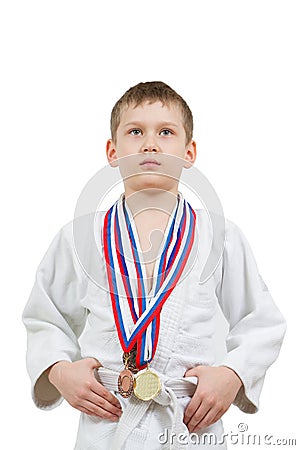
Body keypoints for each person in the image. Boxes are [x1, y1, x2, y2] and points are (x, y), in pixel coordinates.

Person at [23, 81, 286, 449]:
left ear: (189, 152)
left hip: (190, 420)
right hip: (108, 420)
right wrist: (60, 371)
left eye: (166, 132)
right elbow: (44, 318)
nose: (150, 143)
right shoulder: (79, 237)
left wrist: (233, 374)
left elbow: (262, 321)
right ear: (112, 151)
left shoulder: (220, 235)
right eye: (135, 132)